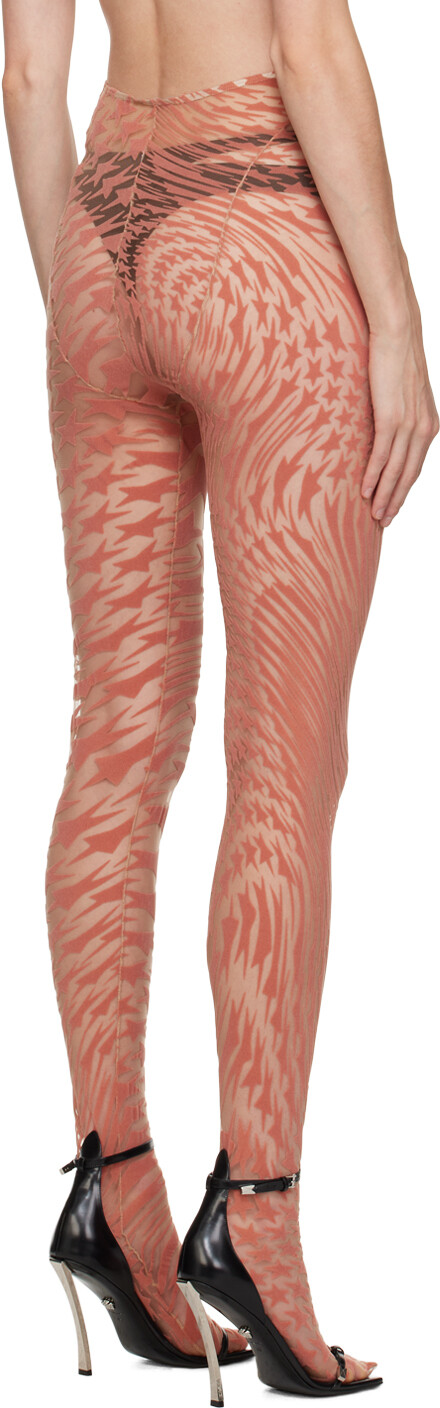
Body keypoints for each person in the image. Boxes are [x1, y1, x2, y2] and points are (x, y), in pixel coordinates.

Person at [2, 0, 438, 1397]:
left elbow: (27, 68)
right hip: (258, 229)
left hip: (100, 240)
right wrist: (397, 320)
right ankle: (256, 1221)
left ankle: (112, 1188)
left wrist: (82, 306)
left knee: (116, 742)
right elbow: (307, 41)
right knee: (283, 766)